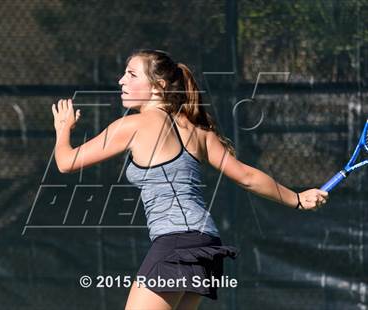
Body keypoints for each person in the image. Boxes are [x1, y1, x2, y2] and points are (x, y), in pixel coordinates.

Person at [51, 49, 328, 310]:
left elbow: (66, 162)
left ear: (158, 85)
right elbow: (246, 176)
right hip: (207, 243)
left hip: (177, 244)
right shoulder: (198, 131)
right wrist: (297, 199)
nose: (121, 80)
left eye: (132, 74)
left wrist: (63, 129)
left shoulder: (133, 125)